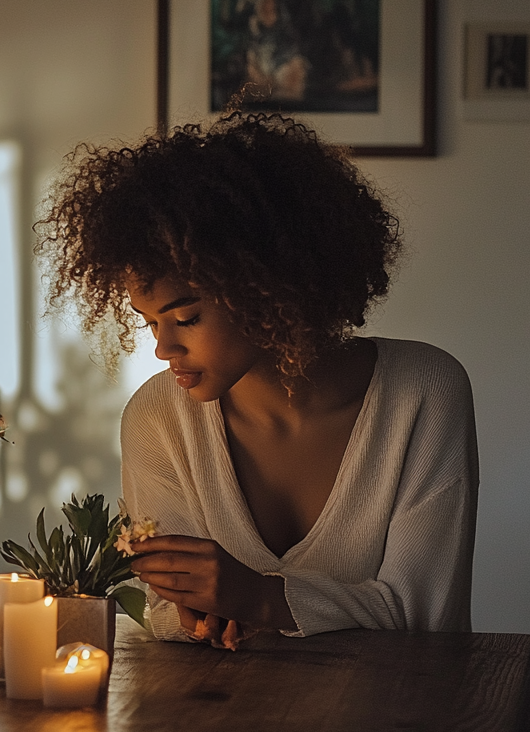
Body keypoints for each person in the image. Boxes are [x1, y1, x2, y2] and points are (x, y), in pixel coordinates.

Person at [36, 112, 478, 648]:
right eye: (150, 321)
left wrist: (261, 598)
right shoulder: (156, 418)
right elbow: (165, 610)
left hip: (400, 721)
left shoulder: (424, 392)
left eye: (186, 319)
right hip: (221, 722)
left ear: (267, 287)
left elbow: (423, 615)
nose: (162, 348)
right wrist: (197, 616)